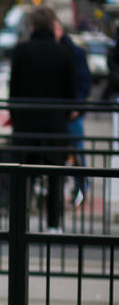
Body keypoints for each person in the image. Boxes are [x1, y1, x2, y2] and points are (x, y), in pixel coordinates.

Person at [9, 6, 76, 232]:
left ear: (33, 25)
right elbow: (70, 92)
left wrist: (16, 118)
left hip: (26, 125)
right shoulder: (64, 53)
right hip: (55, 125)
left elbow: (14, 90)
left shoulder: (21, 51)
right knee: (55, 175)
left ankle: (20, 223)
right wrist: (64, 114)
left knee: (23, 176)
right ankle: (53, 224)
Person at [53, 19, 92, 207]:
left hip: (70, 111)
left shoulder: (74, 53)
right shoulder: (61, 51)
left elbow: (84, 82)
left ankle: (81, 187)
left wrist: (77, 106)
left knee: (76, 150)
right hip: (62, 110)